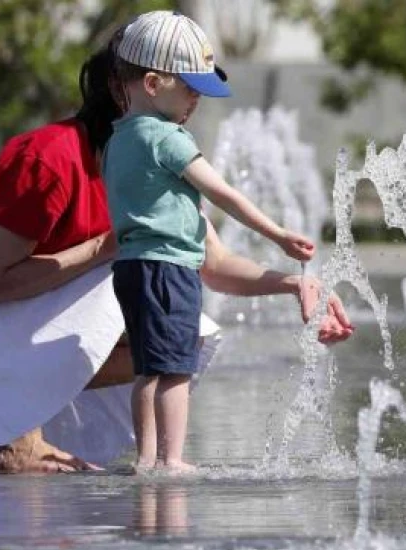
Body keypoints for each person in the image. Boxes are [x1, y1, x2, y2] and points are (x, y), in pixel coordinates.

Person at [0, 22, 353, 474]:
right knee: (127, 271)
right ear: (133, 87)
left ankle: (24, 429)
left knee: (181, 331)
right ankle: (12, 435)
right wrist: (105, 247)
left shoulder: (160, 161)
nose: (194, 104)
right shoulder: (52, 158)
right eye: (185, 88)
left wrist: (295, 284)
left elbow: (212, 266)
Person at [102, 11, 316, 474]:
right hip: (169, 268)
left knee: (146, 368)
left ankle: (146, 457)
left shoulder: (118, 140)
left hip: (132, 266)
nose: (196, 98)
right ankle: (172, 458)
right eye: (190, 87)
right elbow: (223, 192)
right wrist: (277, 234)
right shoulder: (169, 138)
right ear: (154, 83)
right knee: (177, 368)